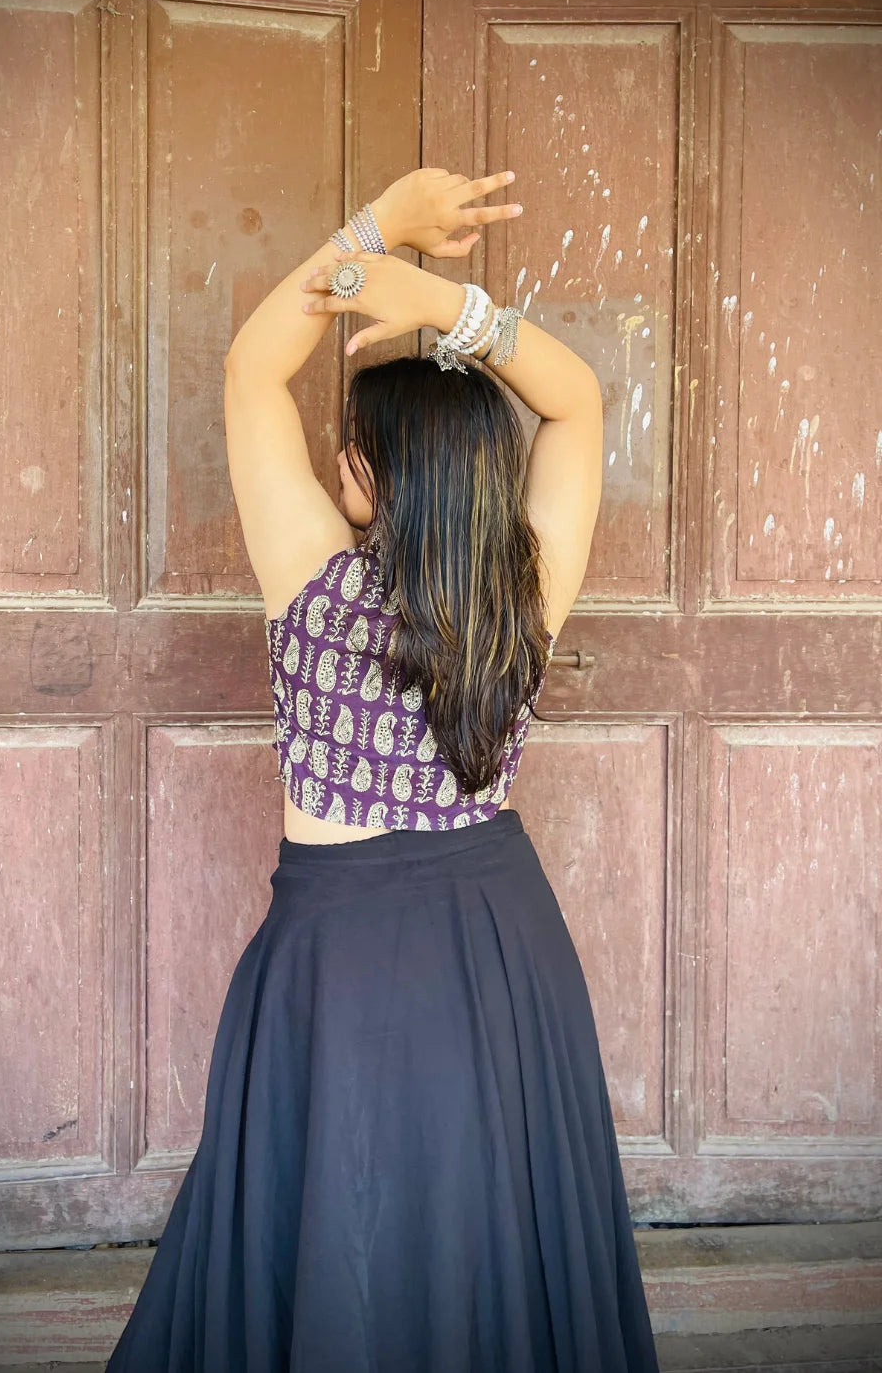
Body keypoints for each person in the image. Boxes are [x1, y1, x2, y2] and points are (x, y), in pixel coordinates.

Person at [106, 168, 660, 1371]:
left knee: (332, 1236)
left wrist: (372, 241)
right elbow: (576, 406)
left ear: (363, 474)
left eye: (343, 451)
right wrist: (445, 308)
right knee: (483, 1233)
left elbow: (254, 369)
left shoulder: (312, 578)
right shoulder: (528, 590)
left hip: (337, 959)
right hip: (501, 945)